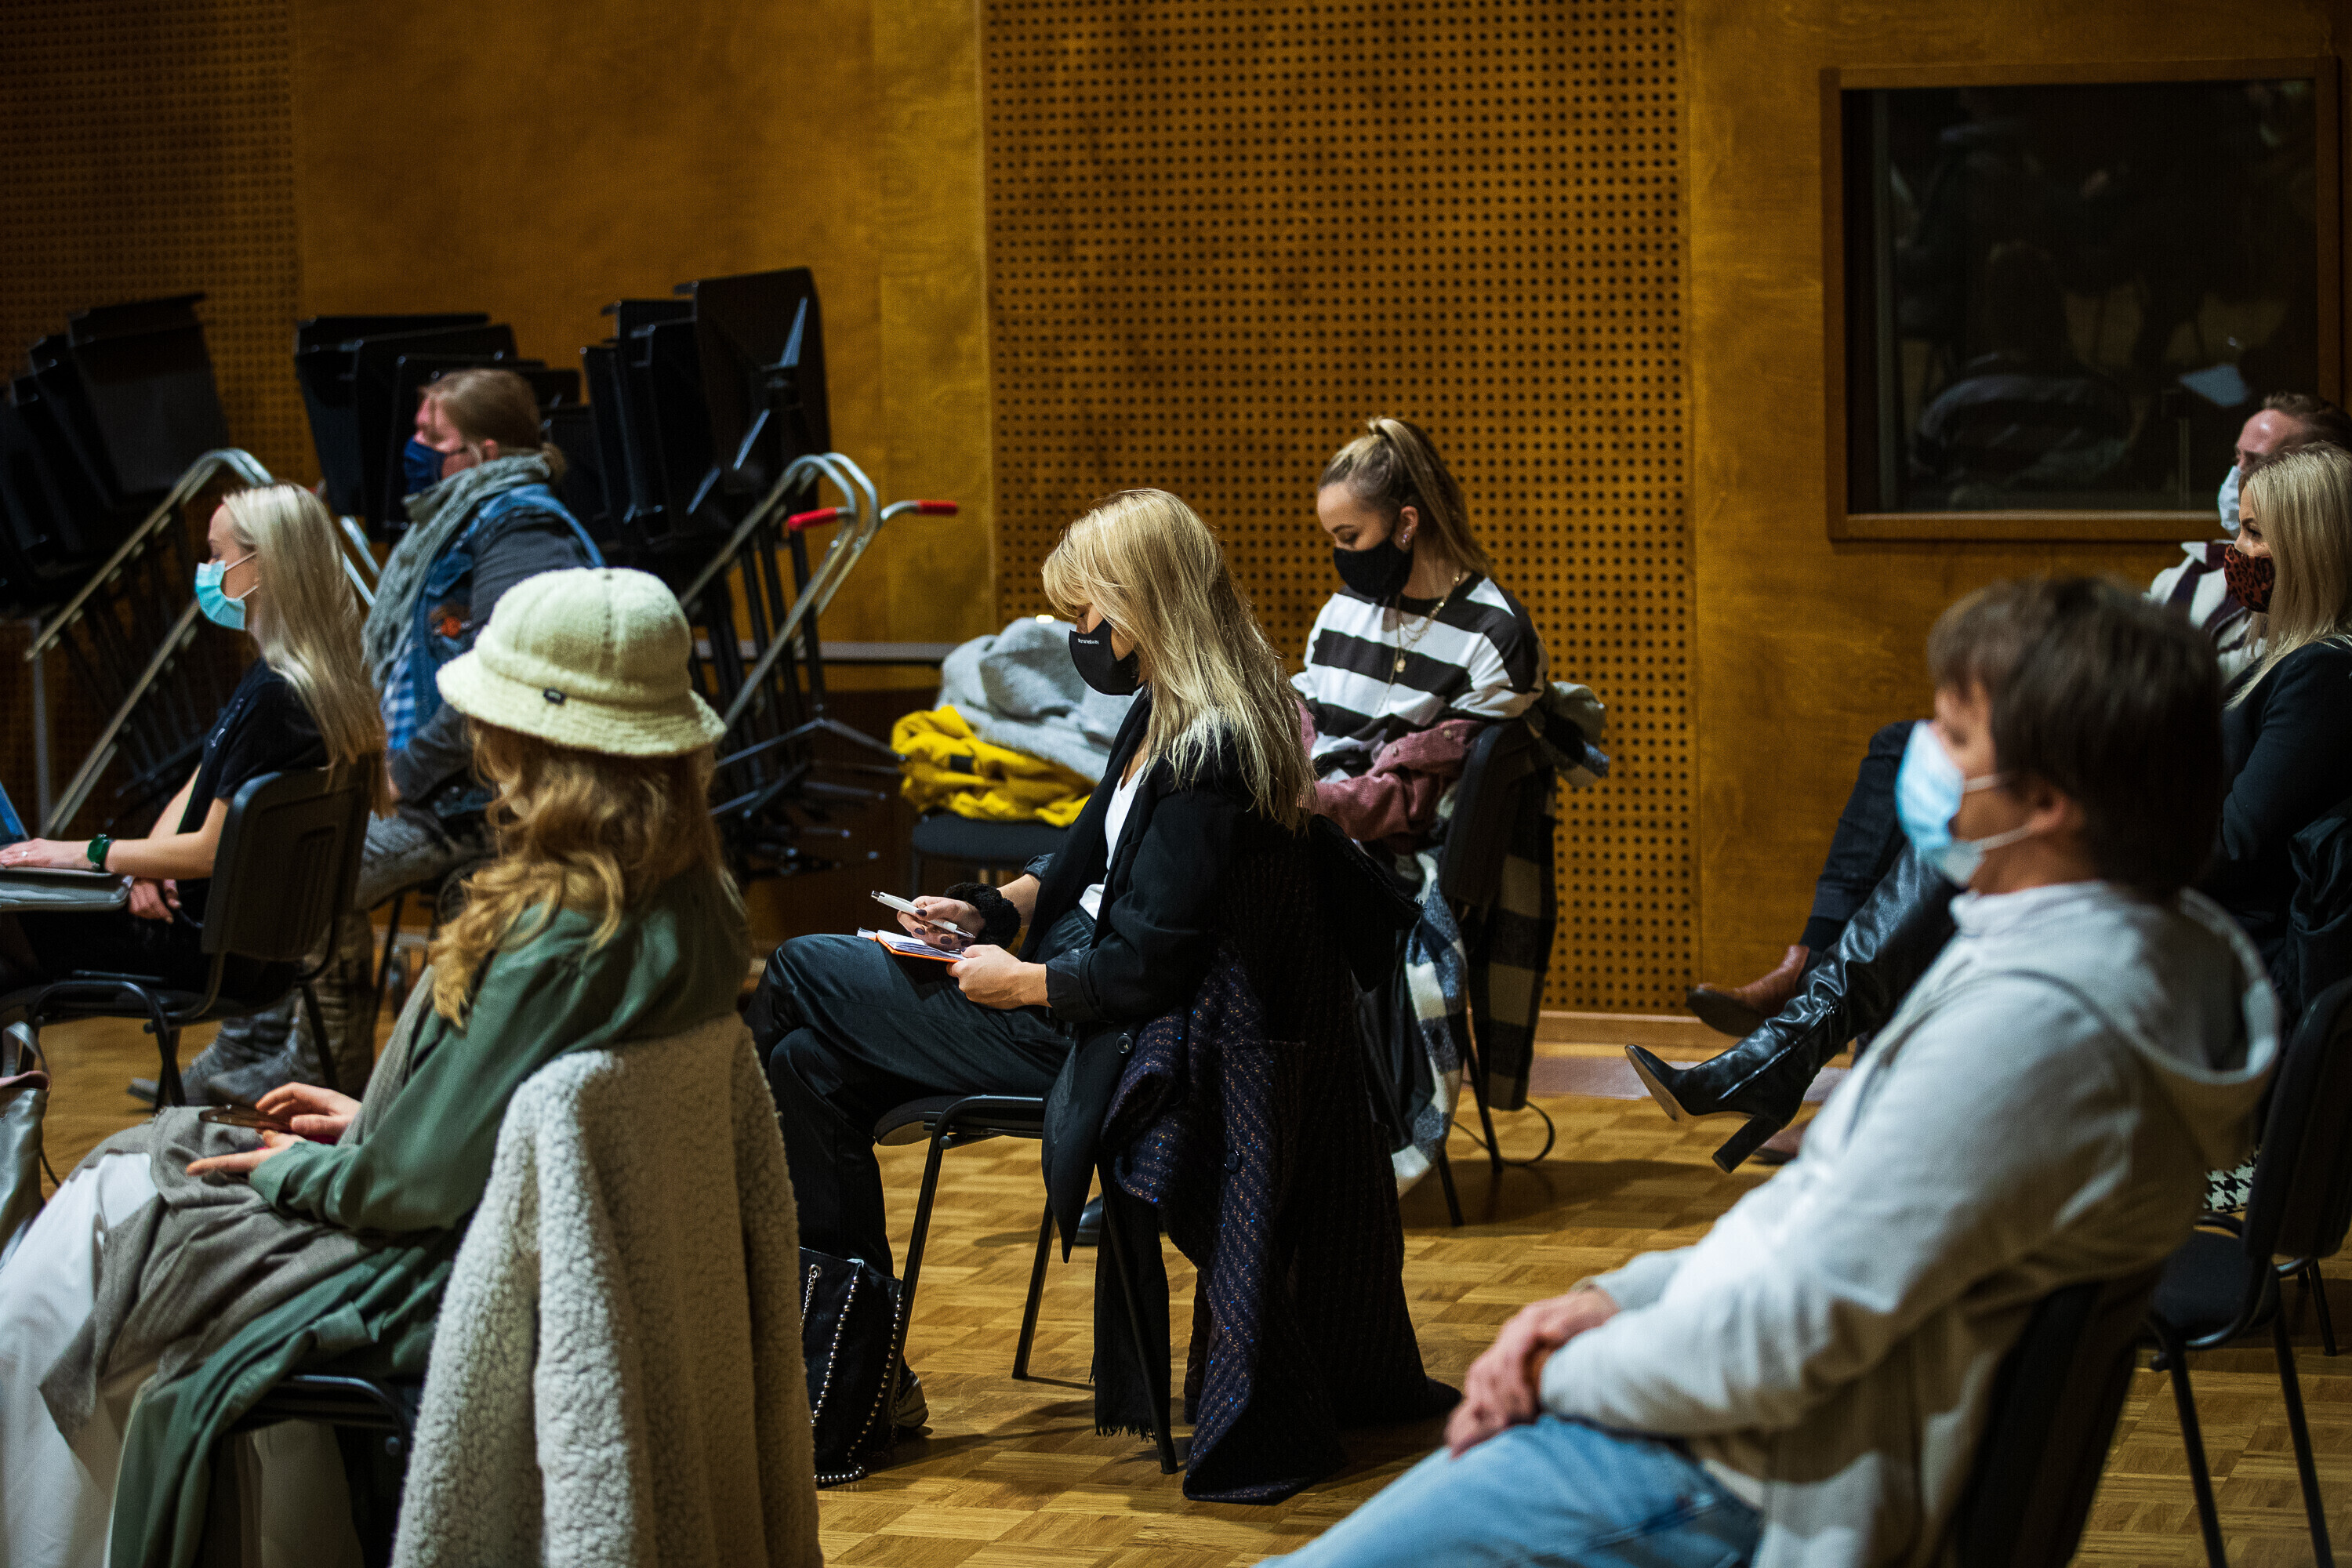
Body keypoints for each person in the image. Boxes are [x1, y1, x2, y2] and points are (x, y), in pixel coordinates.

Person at [1272, 576, 2277, 1568]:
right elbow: (1818, 1221)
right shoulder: (2115, 951)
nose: (1921, 753)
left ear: (2049, 802)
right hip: (1748, 1429)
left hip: (1749, 1479)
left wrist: (1560, 1371)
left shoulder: (2033, 1032)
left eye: (1955, 735)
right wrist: (1619, 1298)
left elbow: (1781, 1338)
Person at [0, 567, 743, 1567]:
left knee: (82, 1246)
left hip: (436, 1261)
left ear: (535, 740)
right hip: (534, 1235)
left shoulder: (558, 928)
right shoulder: (694, 901)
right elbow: (535, 1113)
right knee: (121, 1196)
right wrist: (378, 1113)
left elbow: (413, 1187)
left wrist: (300, 1167)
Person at [750, 488, 1323, 1402]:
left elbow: (1147, 964)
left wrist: (1018, 981)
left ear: (1139, 604)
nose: (1078, 633)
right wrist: (988, 909)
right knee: (805, 1067)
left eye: (1086, 613)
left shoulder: (1208, 747)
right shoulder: (1164, 708)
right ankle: (857, 1376)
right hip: (1062, 977)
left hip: (1095, 1028)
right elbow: (1093, 855)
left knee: (795, 967)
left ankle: (723, 1212)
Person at [1648, 443, 2352, 1170]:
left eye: (2254, 533)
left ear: (2308, 546)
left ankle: (1793, 1057)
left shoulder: (2323, 674)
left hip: (2222, 942)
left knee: (1977, 841)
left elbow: (2235, 844)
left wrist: (2089, 834)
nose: (2236, 552)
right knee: (1969, 836)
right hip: (2183, 909)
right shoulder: (2285, 662)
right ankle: (1804, 1059)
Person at [182, 367, 604, 1105]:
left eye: (432, 437)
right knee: (292, 841)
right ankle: (265, 1048)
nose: (413, 450)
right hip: (443, 792)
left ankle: (313, 1064)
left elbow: (498, 676)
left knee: (302, 862)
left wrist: (404, 773)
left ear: (482, 451)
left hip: (473, 803)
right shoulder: (460, 517)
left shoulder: (521, 527)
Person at [1290, 416, 1552, 1181]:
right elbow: (1310, 723)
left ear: (1405, 524)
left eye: (1349, 536)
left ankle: (1298, 1150)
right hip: (1323, 823)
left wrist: (1306, 803)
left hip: (1401, 862)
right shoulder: (1342, 613)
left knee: (1222, 906)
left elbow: (1418, 801)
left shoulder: (1493, 634)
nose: (1340, 555)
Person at [0, 485, 387, 998]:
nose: (207, 570)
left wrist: (88, 853)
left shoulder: (278, 699)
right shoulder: (303, 681)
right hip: (230, 946)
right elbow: (204, 777)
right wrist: (145, 865)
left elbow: (210, 852)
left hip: (195, 948)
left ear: (262, 566)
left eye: (217, 555)